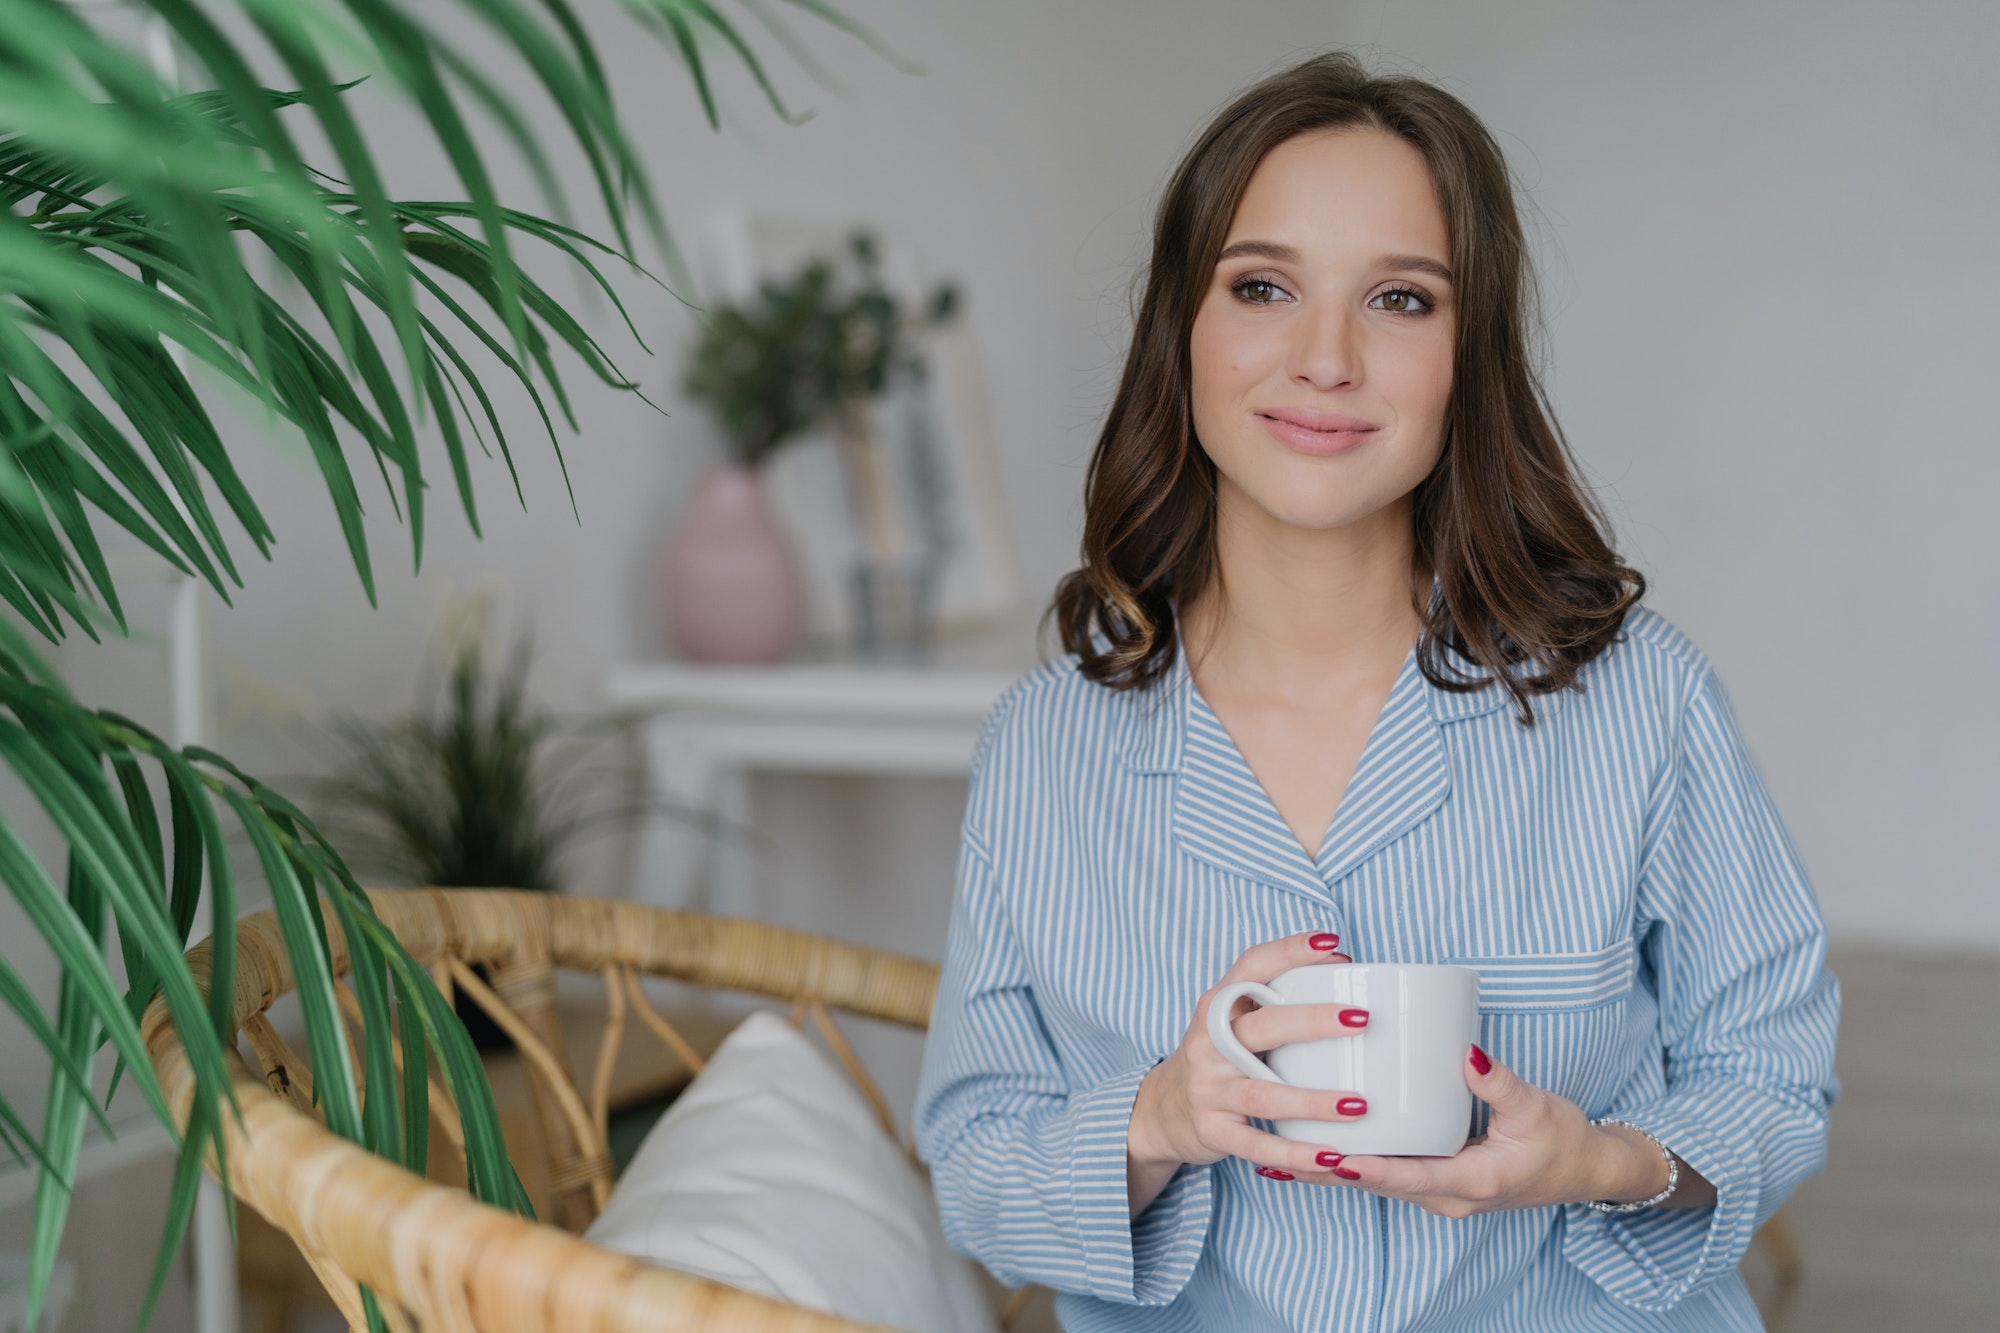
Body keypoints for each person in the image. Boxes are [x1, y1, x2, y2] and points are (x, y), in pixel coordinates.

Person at [911, 50, 1840, 1332]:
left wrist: (1597, 1160)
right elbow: (974, 1164)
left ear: (1468, 356)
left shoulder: (1639, 700)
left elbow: (1772, 1077)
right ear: (1180, 331)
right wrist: (1158, 1118)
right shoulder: (1043, 746)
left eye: (1399, 299)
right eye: (1261, 286)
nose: (1324, 357)